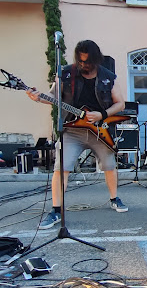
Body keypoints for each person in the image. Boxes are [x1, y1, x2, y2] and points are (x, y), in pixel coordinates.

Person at [26, 40, 128, 229]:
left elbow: (120, 103)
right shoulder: (66, 74)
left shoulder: (108, 77)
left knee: (109, 165)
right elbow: (53, 96)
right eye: (80, 61)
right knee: (61, 167)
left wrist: (102, 114)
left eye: (87, 61)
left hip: (99, 130)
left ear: (96, 59)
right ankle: (56, 210)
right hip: (72, 130)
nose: (83, 65)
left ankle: (114, 198)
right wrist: (39, 98)